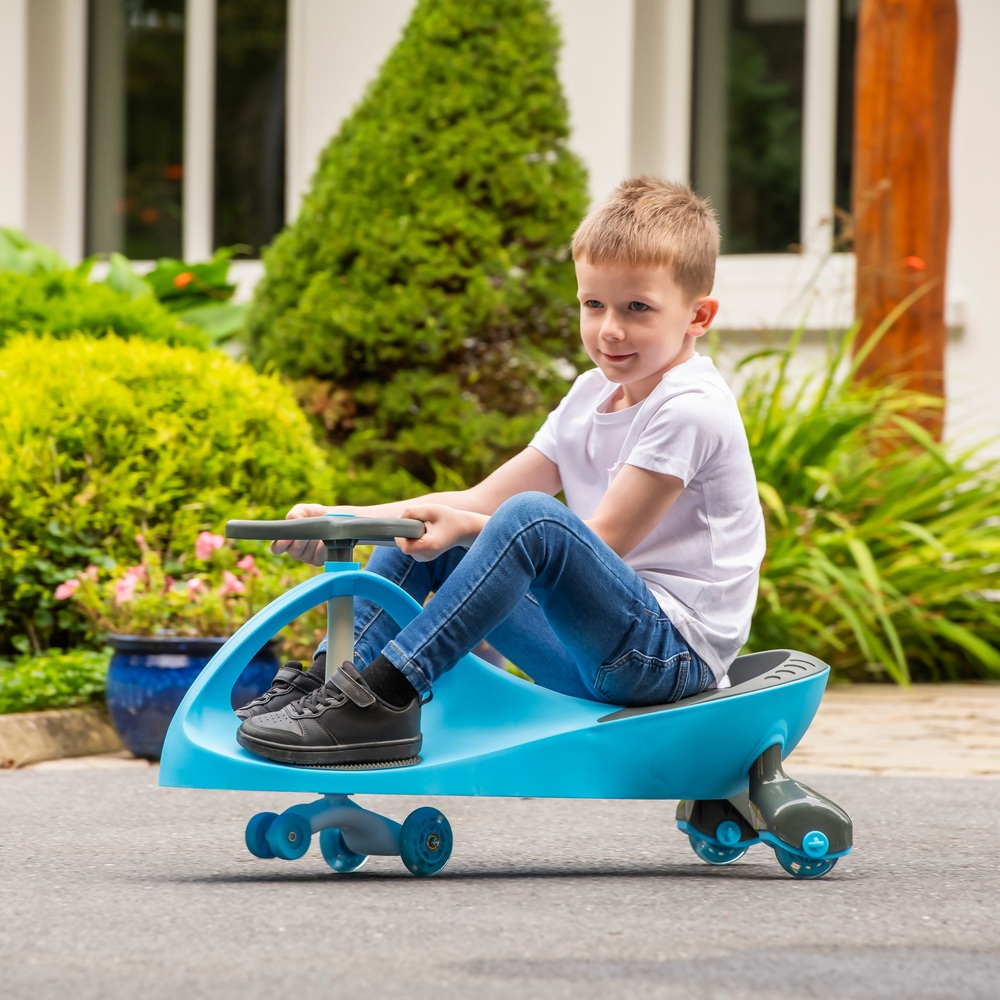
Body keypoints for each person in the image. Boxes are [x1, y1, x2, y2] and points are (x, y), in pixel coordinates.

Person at [235, 177, 766, 767]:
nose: (610, 329)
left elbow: (602, 541)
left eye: (637, 308)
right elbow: (478, 497)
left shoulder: (690, 406)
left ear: (700, 315)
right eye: (594, 305)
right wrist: (343, 518)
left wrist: (464, 524)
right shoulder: (591, 395)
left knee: (529, 520)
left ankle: (385, 697)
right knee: (441, 537)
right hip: (590, 647)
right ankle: (335, 686)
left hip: (666, 660)